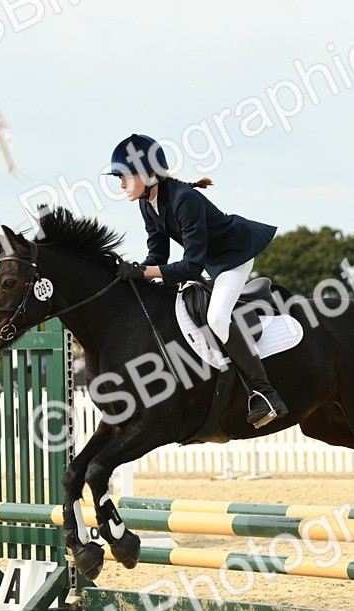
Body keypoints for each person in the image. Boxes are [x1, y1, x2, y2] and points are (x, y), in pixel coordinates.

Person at [106, 133, 285, 428]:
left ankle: (265, 394)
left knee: (216, 318)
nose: (121, 184)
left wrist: (145, 272)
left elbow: (191, 266)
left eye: (125, 176)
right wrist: (134, 271)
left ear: (149, 175)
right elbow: (158, 255)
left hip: (233, 257)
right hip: (211, 262)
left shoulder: (184, 200)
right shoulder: (147, 204)